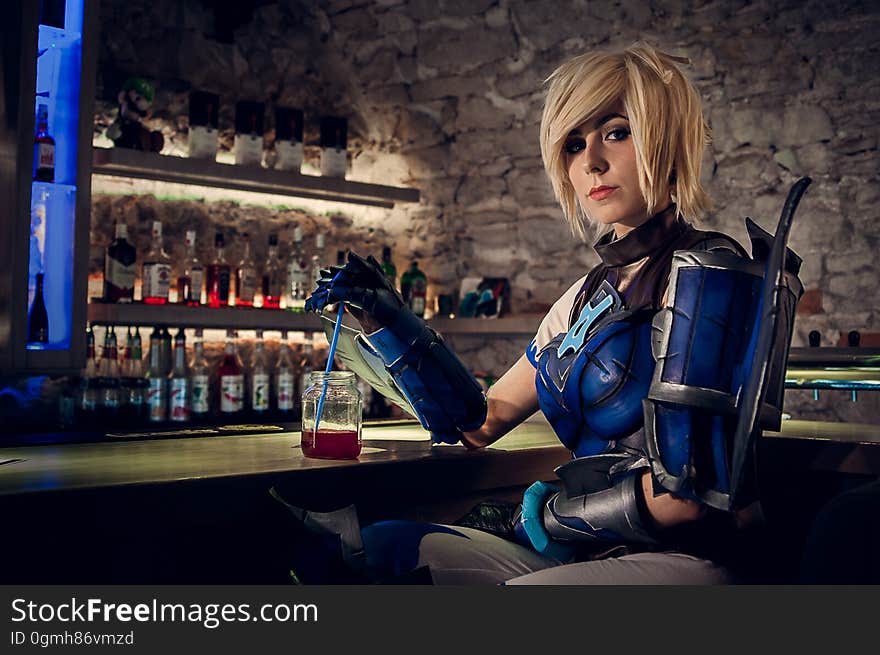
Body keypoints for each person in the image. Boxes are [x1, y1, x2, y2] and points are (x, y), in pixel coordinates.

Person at [293, 41, 805, 585]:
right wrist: (388, 321)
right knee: (379, 547)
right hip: (592, 554)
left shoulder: (712, 274)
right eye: (574, 144)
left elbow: (688, 502)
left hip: (692, 558)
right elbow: (479, 422)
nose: (592, 162)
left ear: (666, 140)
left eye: (616, 132)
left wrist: (543, 516)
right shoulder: (585, 296)